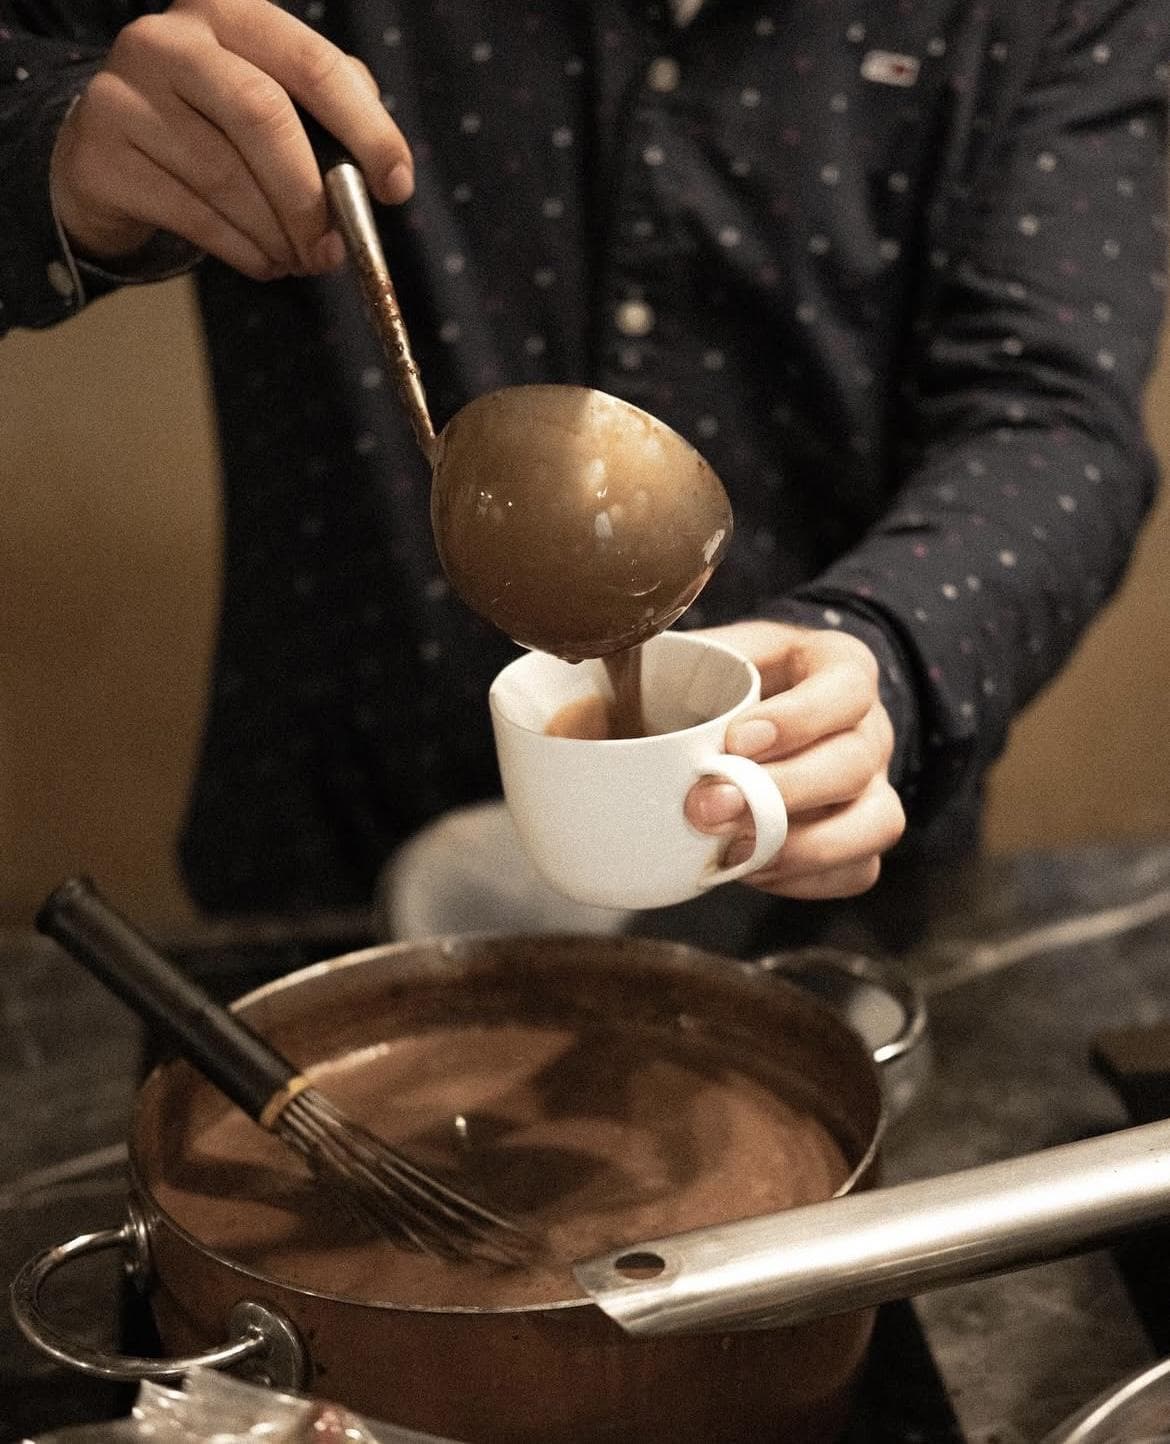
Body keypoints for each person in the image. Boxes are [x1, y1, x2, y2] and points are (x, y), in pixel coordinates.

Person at [1, 0, 1167, 941]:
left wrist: (890, 650)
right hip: (329, 885)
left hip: (814, 913)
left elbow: (1050, 415)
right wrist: (54, 138)